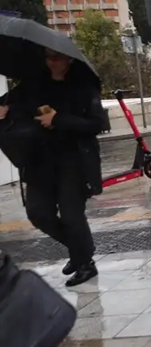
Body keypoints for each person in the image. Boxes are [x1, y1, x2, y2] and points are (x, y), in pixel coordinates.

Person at [0, 49, 107, 287]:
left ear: (69, 60)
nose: (51, 62)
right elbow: (10, 102)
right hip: (39, 160)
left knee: (71, 214)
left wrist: (58, 120)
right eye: (48, 57)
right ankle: (80, 248)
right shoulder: (34, 83)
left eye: (56, 58)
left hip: (74, 160)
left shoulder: (84, 86)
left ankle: (84, 264)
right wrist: (4, 109)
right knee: (38, 213)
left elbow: (97, 124)